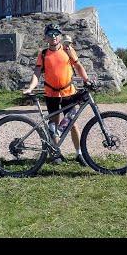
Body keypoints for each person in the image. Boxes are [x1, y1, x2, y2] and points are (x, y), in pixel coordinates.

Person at [23, 23, 92, 166]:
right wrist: (30, 87)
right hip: (51, 94)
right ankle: (56, 153)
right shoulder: (43, 54)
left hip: (68, 92)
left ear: (60, 36)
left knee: (72, 124)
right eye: (50, 34)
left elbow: (78, 65)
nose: (53, 36)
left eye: (56, 33)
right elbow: (37, 72)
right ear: (45, 37)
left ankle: (79, 154)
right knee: (54, 123)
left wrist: (86, 80)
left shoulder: (68, 50)